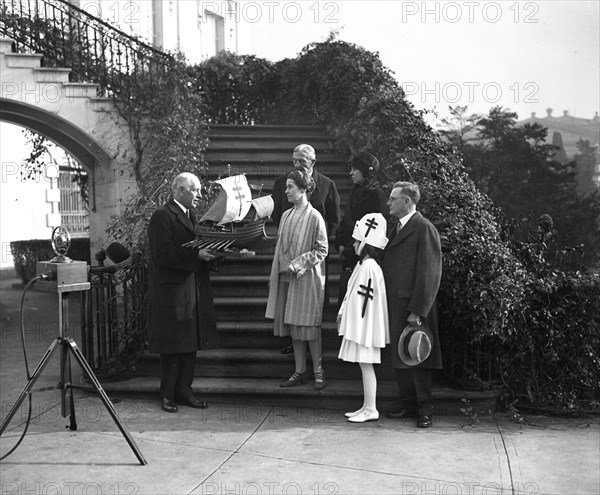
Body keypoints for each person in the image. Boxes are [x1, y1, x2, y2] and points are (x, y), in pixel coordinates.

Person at [147, 172, 217, 413]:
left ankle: (185, 390)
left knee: (190, 343)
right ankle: (168, 393)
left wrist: (212, 255)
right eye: (194, 190)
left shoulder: (191, 214)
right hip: (172, 292)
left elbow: (193, 249)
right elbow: (162, 253)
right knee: (172, 345)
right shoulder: (162, 216)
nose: (199, 194)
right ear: (179, 191)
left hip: (191, 288)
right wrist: (196, 255)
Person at [381, 181, 442, 428]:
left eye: (393, 199)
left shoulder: (424, 228)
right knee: (401, 357)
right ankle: (408, 406)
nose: (388, 202)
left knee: (418, 358)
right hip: (397, 303)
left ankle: (425, 410)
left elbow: (430, 272)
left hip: (414, 306)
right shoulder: (397, 228)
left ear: (407, 202)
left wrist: (418, 311)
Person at [272, 144, 341, 354]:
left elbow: (334, 218)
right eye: (294, 160)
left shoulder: (328, 184)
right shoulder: (283, 182)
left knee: (312, 301)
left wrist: (316, 237)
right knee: (289, 299)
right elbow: (277, 213)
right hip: (290, 249)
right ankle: (293, 341)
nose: (297, 164)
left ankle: (316, 343)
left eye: (301, 160)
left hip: (315, 251)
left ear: (313, 162)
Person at [265, 169, 329, 390]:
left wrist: (298, 263)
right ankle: (300, 371)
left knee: (309, 327)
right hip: (286, 278)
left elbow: (322, 250)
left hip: (306, 279)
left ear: (303, 189)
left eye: (290, 187)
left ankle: (319, 372)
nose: (286, 191)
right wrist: (277, 272)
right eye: (286, 187)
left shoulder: (315, 216)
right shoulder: (285, 215)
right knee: (294, 327)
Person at [337, 213, 390, 423]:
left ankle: (371, 409)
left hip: (365, 325)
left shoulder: (369, 267)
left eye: (358, 241)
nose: (354, 244)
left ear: (366, 244)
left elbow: (365, 301)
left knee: (366, 365)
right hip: (363, 324)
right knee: (363, 365)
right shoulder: (364, 265)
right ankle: (367, 406)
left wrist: (354, 324)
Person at [334, 152, 388, 307]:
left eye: (354, 169)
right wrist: (340, 243)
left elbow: (373, 231)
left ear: (365, 170)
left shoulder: (377, 196)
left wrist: (351, 249)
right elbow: (346, 220)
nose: (350, 173)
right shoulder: (355, 190)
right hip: (348, 255)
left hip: (363, 258)